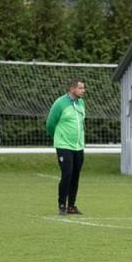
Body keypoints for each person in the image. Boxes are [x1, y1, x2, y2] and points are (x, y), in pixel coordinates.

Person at [46, 79, 86, 215]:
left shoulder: (81, 103)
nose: (83, 91)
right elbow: (50, 124)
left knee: (75, 175)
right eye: (80, 88)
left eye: (83, 88)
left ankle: (71, 206)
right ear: (72, 89)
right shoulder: (59, 103)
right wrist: (59, 137)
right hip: (64, 146)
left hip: (78, 146)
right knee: (67, 174)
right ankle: (62, 205)